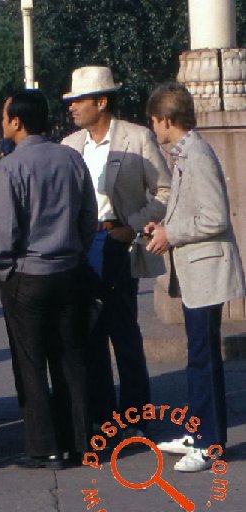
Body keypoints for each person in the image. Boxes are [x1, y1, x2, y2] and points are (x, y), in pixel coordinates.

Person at [0, 90, 97, 469]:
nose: (2, 124)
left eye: (4, 117)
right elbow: (88, 215)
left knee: (30, 362)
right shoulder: (71, 158)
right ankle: (83, 440)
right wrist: (76, 250)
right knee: (71, 357)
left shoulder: (11, 166)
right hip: (68, 268)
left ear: (17, 121)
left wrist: (3, 266)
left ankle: (46, 445)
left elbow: (2, 229)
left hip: (28, 273)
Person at [62, 67, 172, 434]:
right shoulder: (70, 145)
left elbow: (165, 191)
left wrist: (135, 226)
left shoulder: (136, 138)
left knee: (123, 330)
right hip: (81, 244)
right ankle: (102, 415)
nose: (73, 108)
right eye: (71, 101)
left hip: (117, 240)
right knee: (88, 332)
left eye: (79, 101)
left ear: (102, 101)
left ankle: (136, 416)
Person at [143, 83, 246, 472]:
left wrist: (172, 233)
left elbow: (215, 217)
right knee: (199, 355)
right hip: (197, 272)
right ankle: (201, 430)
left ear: (168, 120)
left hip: (206, 272)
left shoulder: (197, 154)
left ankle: (208, 442)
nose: (154, 128)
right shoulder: (189, 152)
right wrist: (164, 224)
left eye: (155, 121)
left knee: (203, 358)